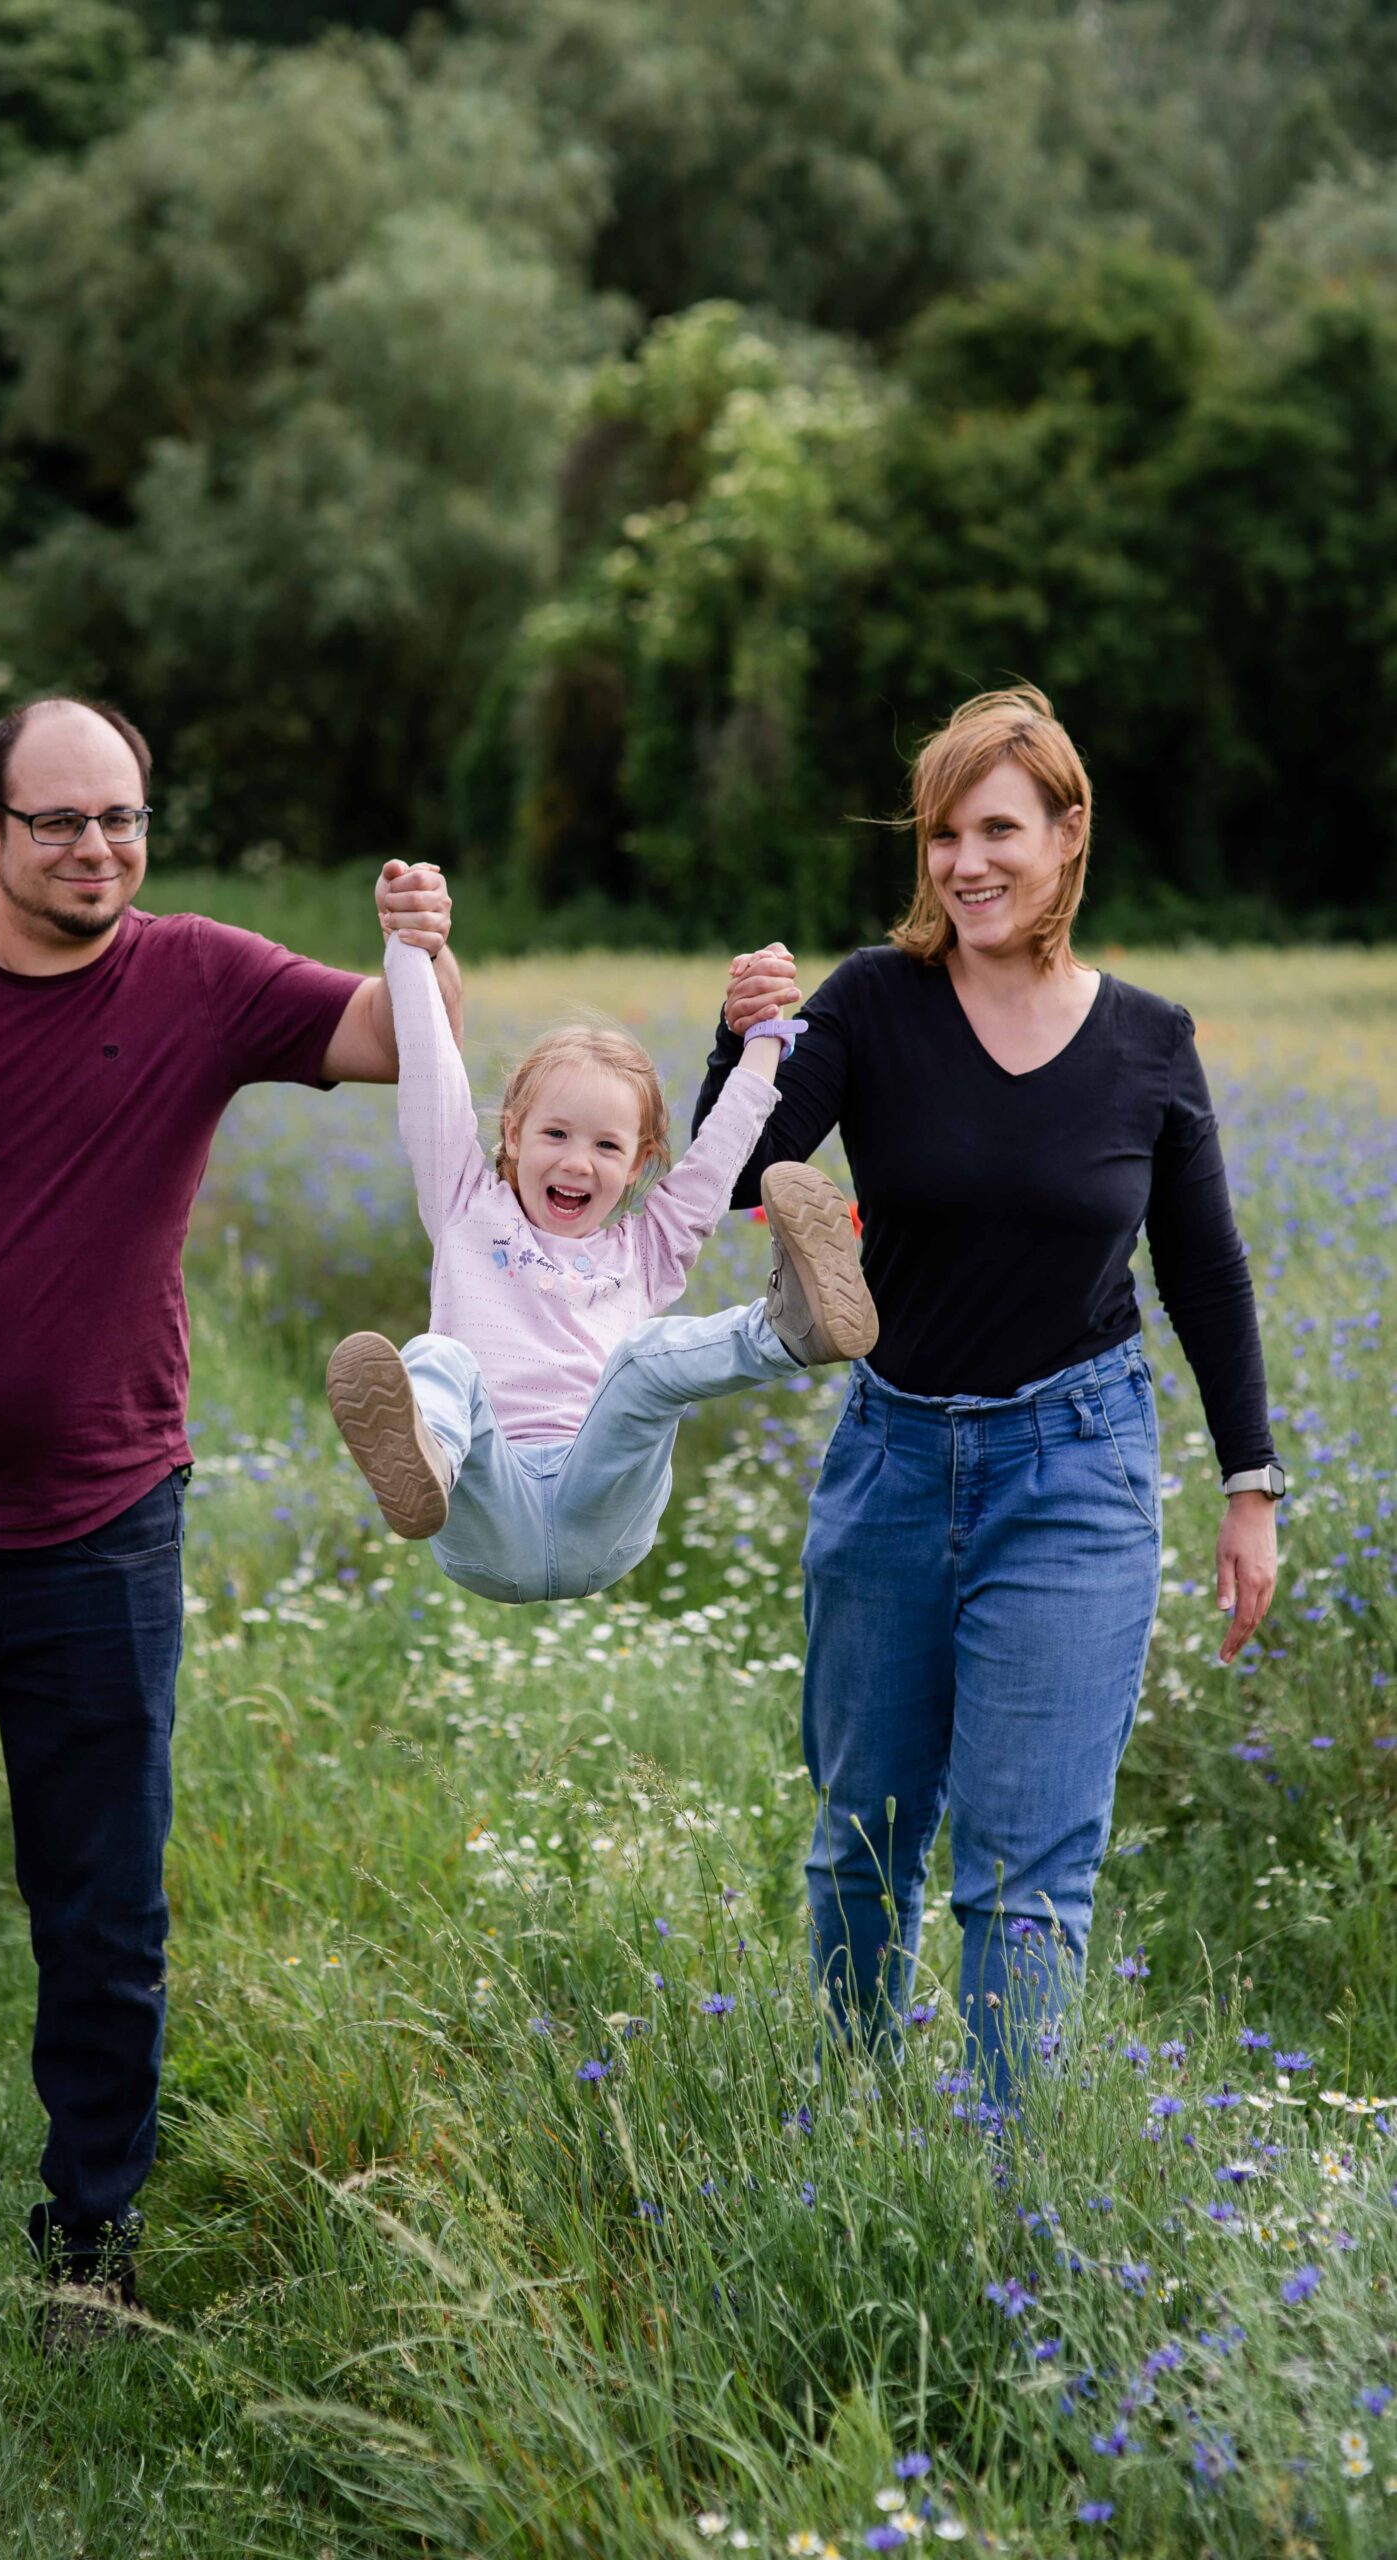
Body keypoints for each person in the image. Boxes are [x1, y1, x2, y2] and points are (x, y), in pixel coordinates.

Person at [0, 695, 457, 2342]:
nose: (96, 848)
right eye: (57, 820)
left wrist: (420, 946)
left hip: (101, 1534)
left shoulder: (201, 978)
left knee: (101, 1911)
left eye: (119, 816)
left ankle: (91, 2233)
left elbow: (401, 1048)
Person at [694, 685, 1281, 2103]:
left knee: (1024, 1879)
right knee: (863, 1840)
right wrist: (736, 1042)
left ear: (1066, 832)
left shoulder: (1148, 1041)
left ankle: (1007, 2188)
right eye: (943, 834)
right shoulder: (871, 1001)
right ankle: (858, 2131)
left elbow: (1203, 1273)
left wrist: (1249, 1485)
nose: (966, 862)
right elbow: (740, 1177)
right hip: (892, 1461)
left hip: (1075, 1467)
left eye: (997, 830)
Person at [324, 930, 877, 1605]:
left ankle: (791, 1330)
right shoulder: (465, 1206)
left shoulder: (648, 1248)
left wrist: (763, 1036)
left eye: (606, 1146)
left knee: (642, 1361)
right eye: (555, 1134)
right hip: (486, 1512)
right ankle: (427, 1459)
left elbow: (721, 1150)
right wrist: (409, 945)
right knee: (436, 1357)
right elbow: (430, 1077)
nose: (577, 1162)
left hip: (600, 1514)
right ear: (513, 1134)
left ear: (639, 1163)